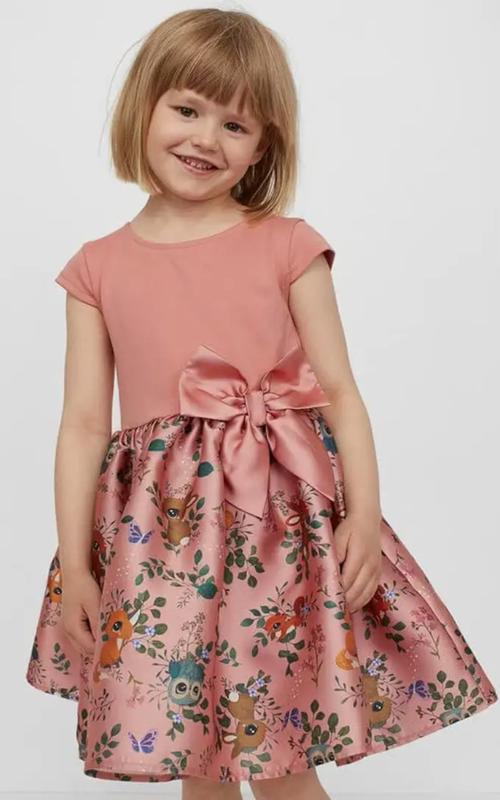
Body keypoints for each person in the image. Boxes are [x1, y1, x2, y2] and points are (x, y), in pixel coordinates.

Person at [25, 8, 497, 800]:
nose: (206, 138)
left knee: (279, 757)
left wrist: (363, 517)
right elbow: (81, 426)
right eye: (187, 109)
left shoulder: (288, 245)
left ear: (263, 146)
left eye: (235, 124)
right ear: (142, 106)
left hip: (277, 533)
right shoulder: (96, 268)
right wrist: (76, 565)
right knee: (197, 757)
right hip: (160, 539)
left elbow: (340, 393)